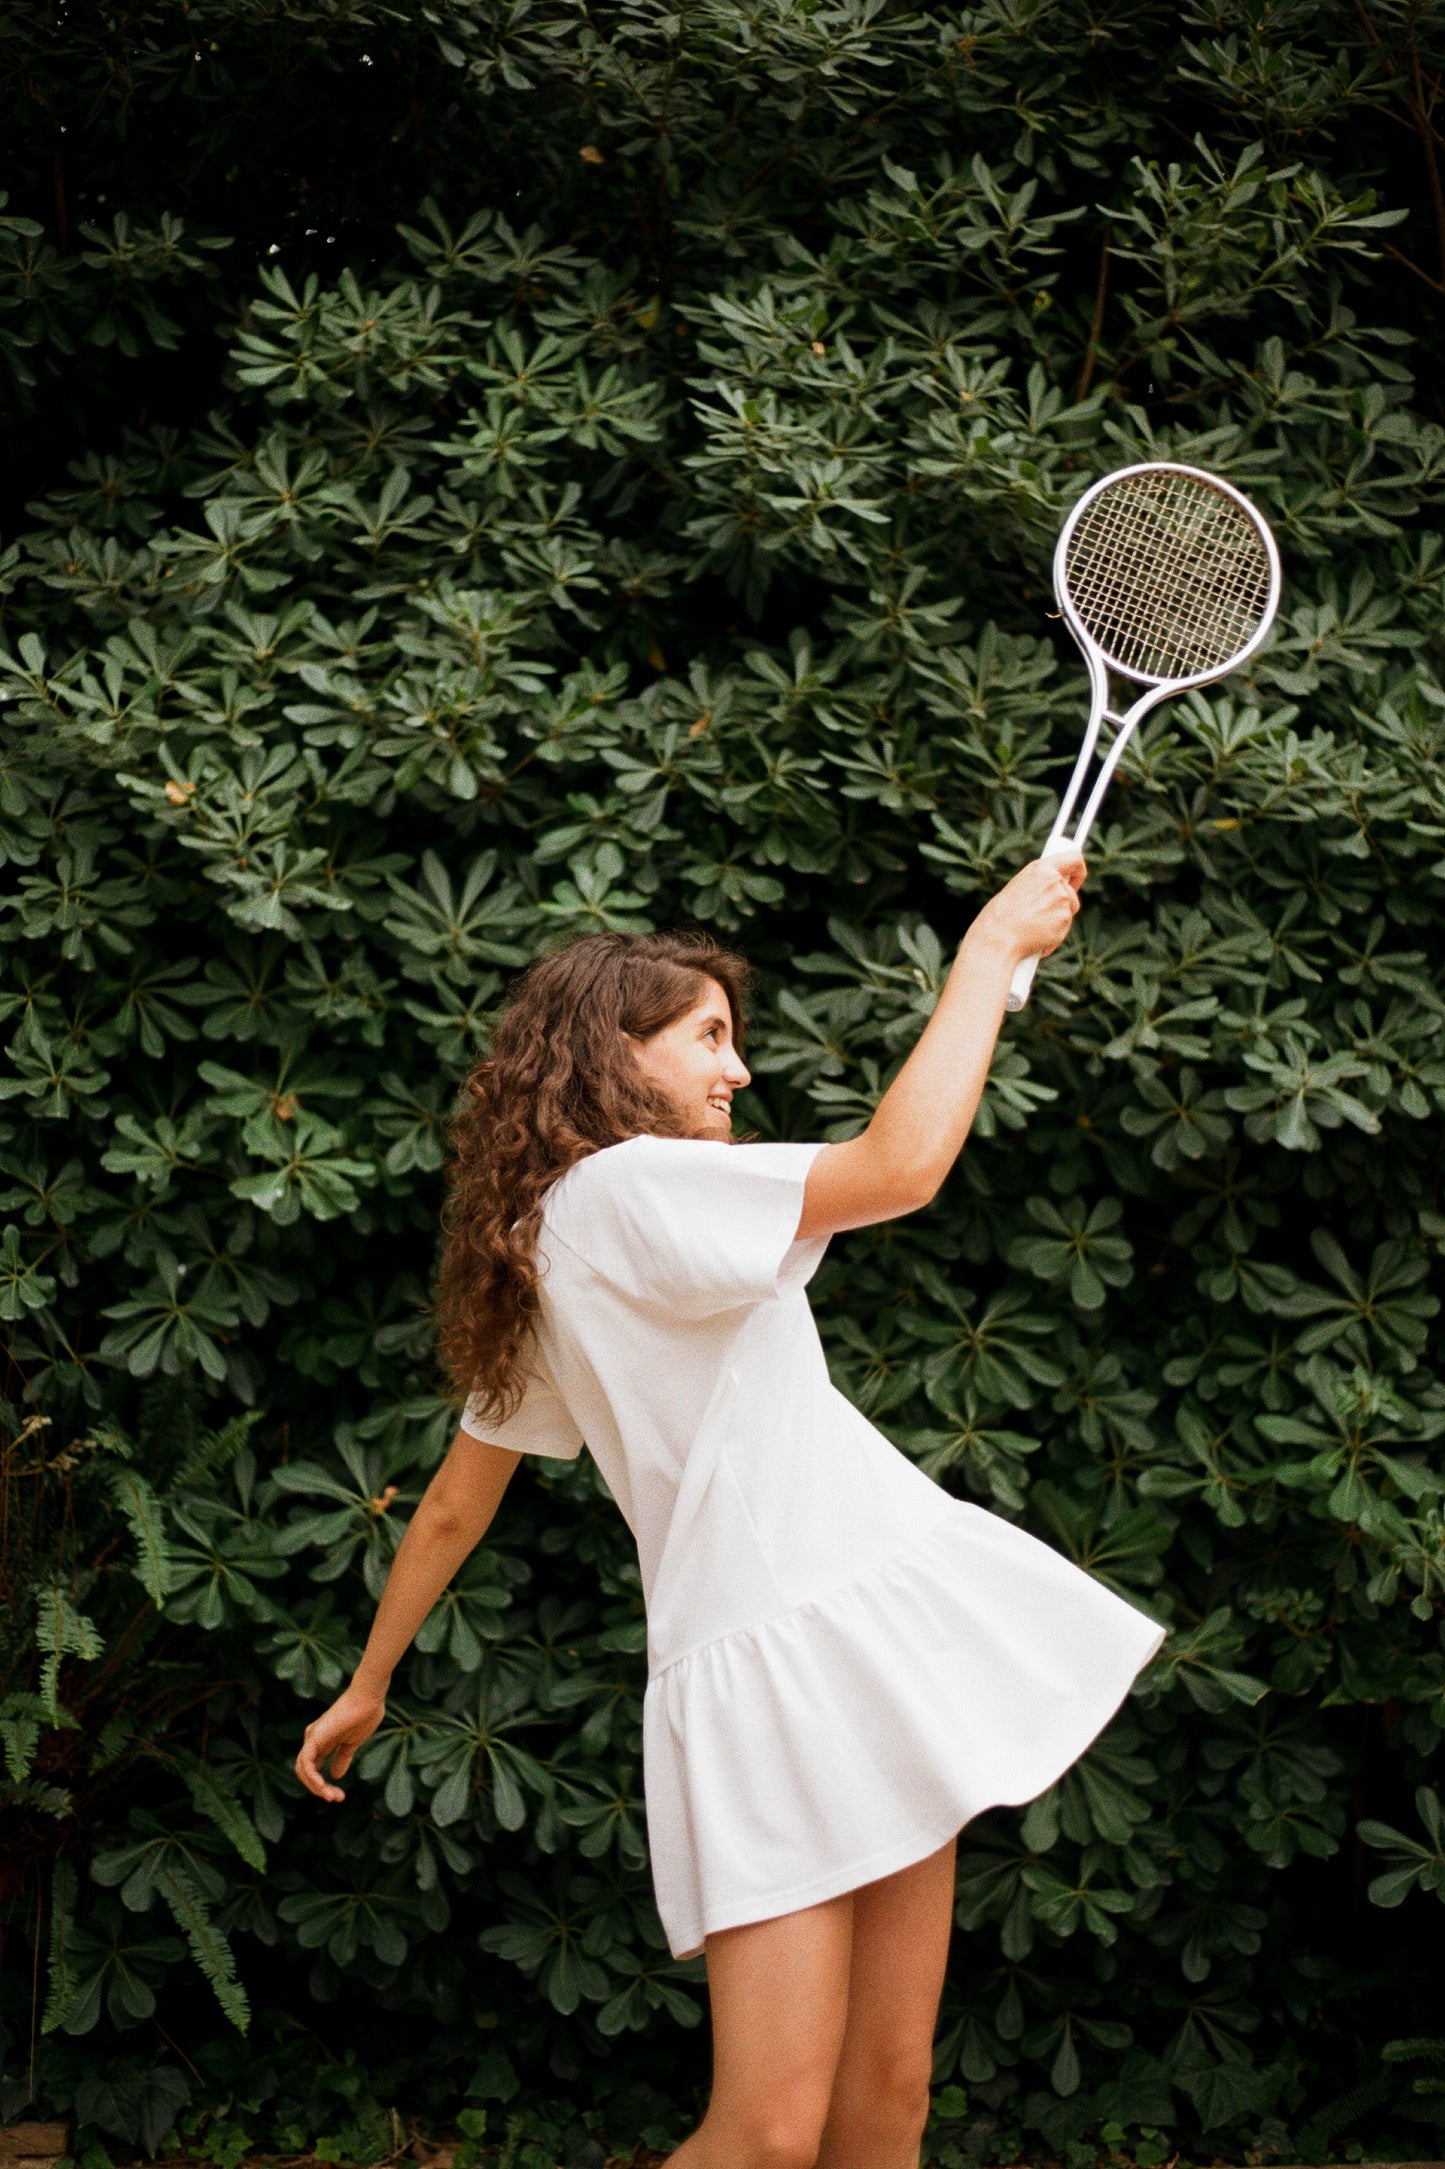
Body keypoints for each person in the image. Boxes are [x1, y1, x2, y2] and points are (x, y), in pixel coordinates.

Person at [296, 850, 1164, 2169]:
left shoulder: (559, 1235)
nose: (735, 1068)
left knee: (887, 2099)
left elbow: (453, 1505)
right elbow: (902, 1164)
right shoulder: (631, 1189)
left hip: (849, 1644)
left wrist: (368, 1682)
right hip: (779, 1671)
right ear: (610, 1054)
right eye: (706, 1034)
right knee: (763, 2131)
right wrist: (985, 953)